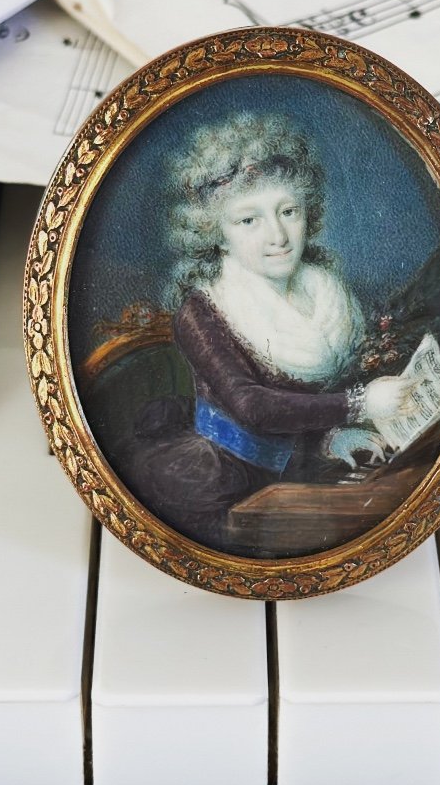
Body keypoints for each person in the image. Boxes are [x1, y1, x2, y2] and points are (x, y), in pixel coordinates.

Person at [115, 111, 417, 554]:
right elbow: (254, 407)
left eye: (288, 211)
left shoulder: (329, 292)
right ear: (215, 233)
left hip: (300, 466)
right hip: (223, 475)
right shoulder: (204, 311)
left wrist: (334, 437)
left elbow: (314, 402)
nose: (278, 235)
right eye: (248, 221)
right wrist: (358, 405)